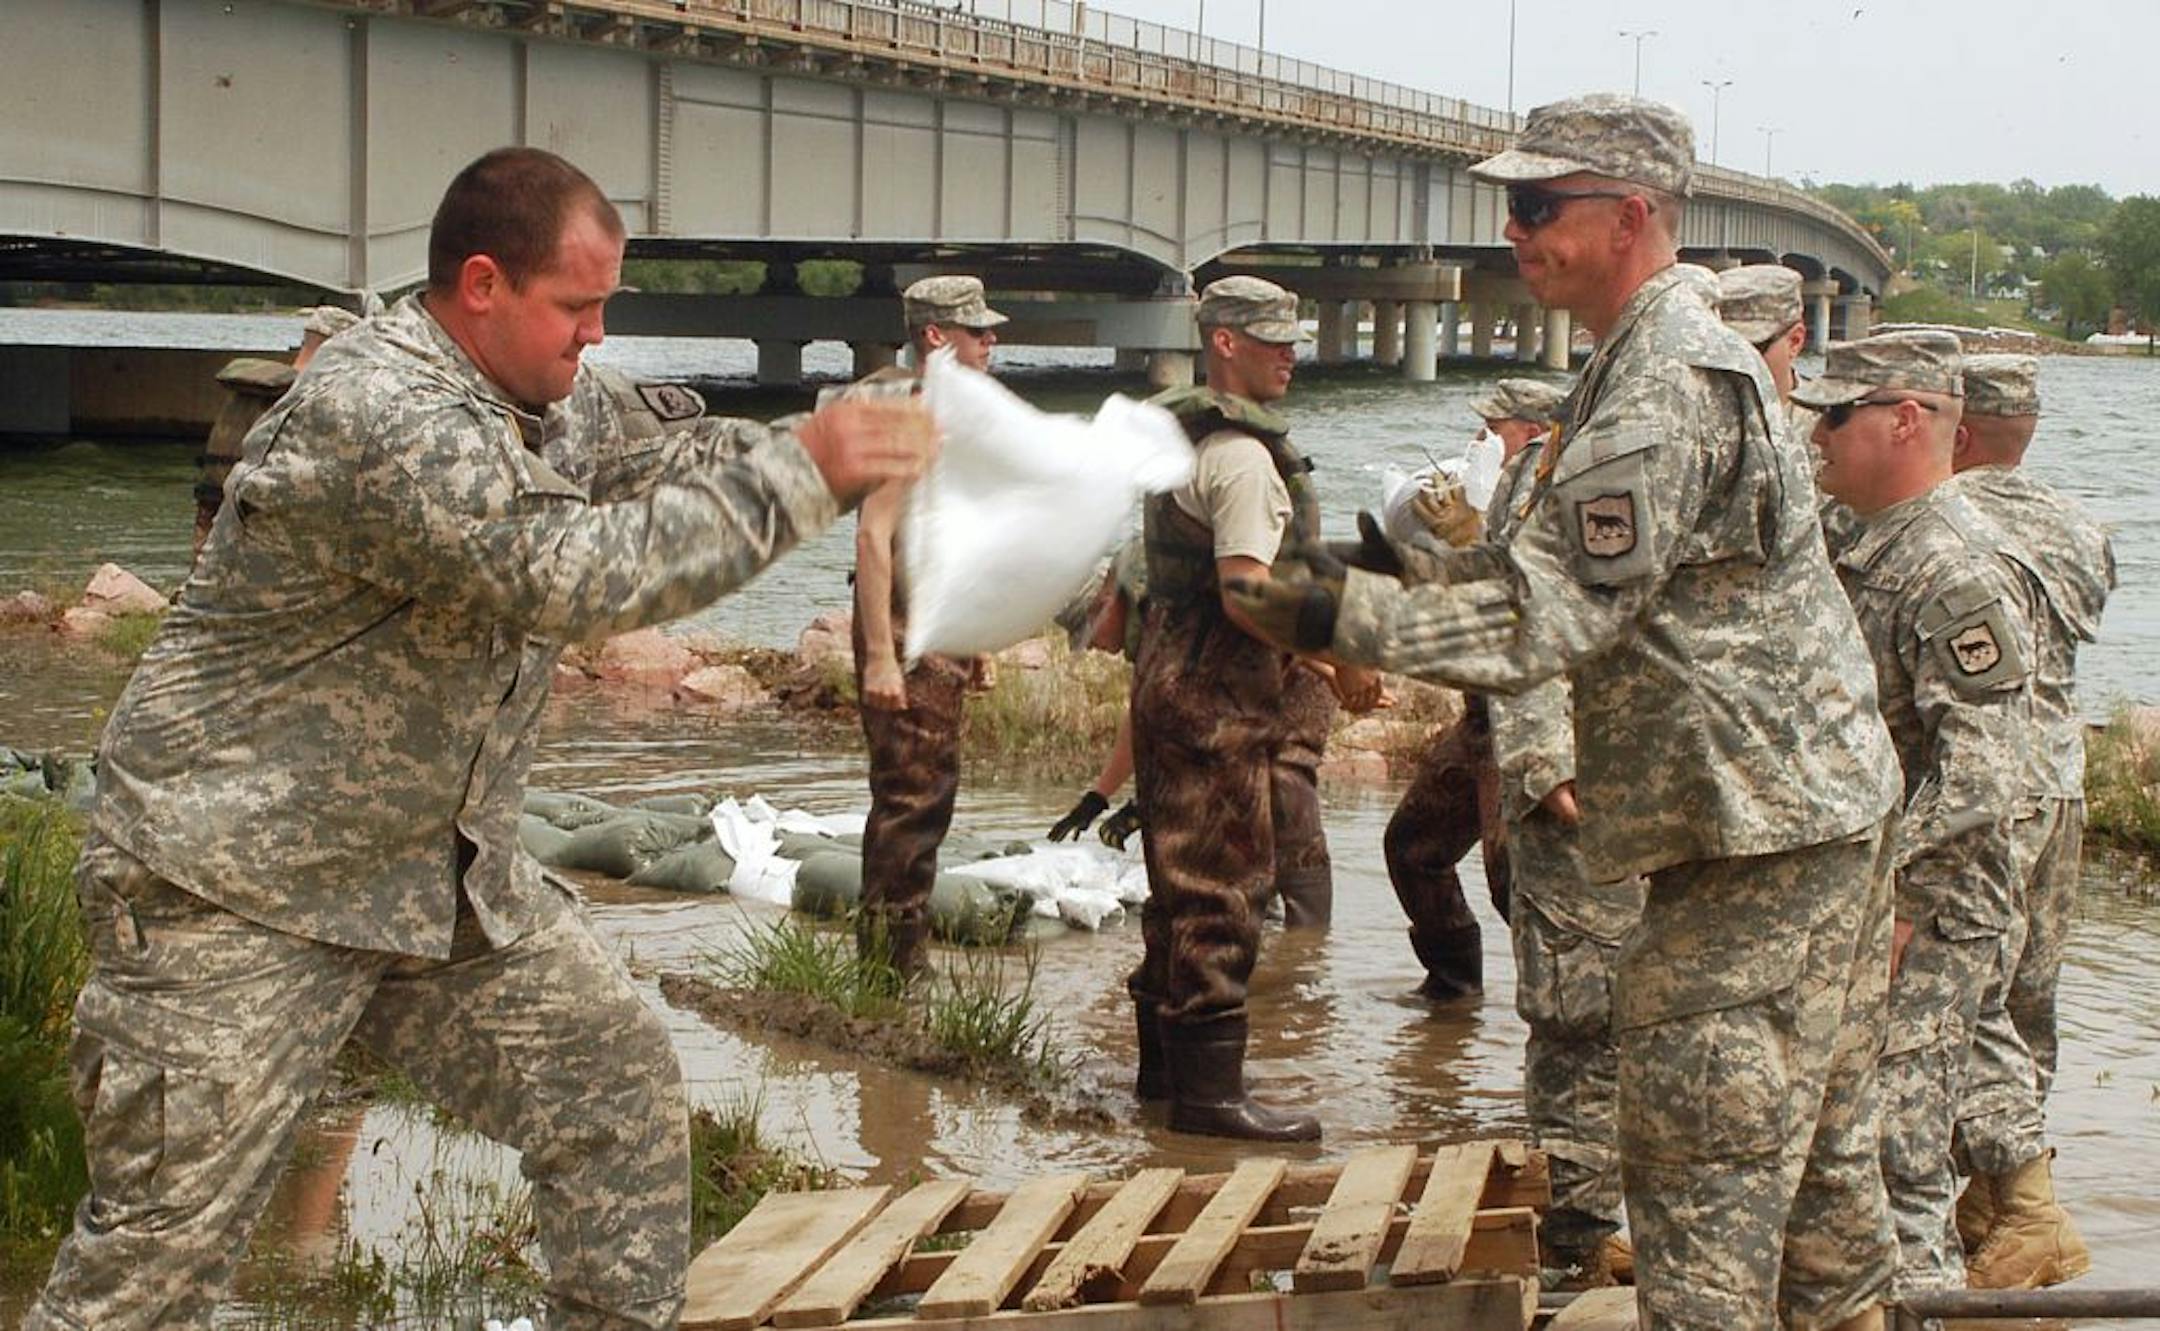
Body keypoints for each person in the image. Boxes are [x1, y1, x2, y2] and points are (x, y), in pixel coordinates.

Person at [25, 146, 934, 1331]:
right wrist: (810, 476)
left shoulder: (540, 394)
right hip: (232, 891)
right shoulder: (380, 409)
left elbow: (672, 452)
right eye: (577, 306)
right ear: (485, 284)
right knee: (150, 1269)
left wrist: (844, 437)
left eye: (607, 307)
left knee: (613, 1090)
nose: (597, 336)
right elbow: (570, 576)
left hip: (432, 886)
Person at [1229, 94, 1901, 1330]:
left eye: (1540, 206)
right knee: (1818, 1207)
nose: (1513, 228)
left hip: (1753, 846)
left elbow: (1536, 621)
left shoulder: (1663, 383)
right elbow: (1527, 570)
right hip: (1792, 825)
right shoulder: (1646, 360)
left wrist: (1313, 611)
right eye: (1512, 203)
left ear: (1630, 217)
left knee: (1699, 1186)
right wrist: (1370, 570)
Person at [1794, 329, 2056, 1305]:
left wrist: (1895, 898)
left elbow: (1986, 771)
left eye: (1834, 413)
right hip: (1873, 903)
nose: (1815, 433)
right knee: (1851, 1154)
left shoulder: (1954, 565)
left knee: (1901, 1165)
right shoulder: (1873, 541)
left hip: (1929, 913)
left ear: (1906, 419)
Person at [1125, 274, 1378, 1142]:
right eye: (1272, 339)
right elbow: (1244, 590)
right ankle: (1209, 1099)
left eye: (1294, 337)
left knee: (1176, 889)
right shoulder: (1238, 456)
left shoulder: (1185, 439)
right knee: (1223, 893)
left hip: (1169, 682)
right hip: (1215, 702)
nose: (1292, 355)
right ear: (1223, 343)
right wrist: (1336, 657)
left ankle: (1162, 1084)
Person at [1945, 352, 2108, 1288]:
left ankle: (2017, 1201)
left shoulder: (1933, 520)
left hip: (1982, 792)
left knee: (1962, 995)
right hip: (2058, 779)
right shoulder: (2080, 526)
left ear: (1955, 426)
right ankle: (1990, 1206)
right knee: (2028, 1001)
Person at [1382, 377, 1566, 1001]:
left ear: (1537, 435)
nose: (1479, 438)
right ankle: (1453, 985)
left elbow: (1538, 607)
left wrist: (1472, 543)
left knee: (1514, 879)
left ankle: (1575, 1019)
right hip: (1483, 717)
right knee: (1413, 846)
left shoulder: (1564, 497)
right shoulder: (1499, 495)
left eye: (1495, 428)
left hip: (1534, 718)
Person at [845, 274, 1006, 979]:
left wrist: (979, 641)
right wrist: (881, 656)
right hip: (905, 640)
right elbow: (874, 538)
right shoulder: (912, 421)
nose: (991, 343)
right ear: (936, 338)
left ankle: (896, 967)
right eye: (977, 332)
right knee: (911, 806)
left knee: (927, 800)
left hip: (939, 637)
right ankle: (890, 978)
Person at [193, 305, 360, 555]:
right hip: (262, 536)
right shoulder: (308, 399)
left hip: (212, 525)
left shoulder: (251, 388)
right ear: (339, 348)